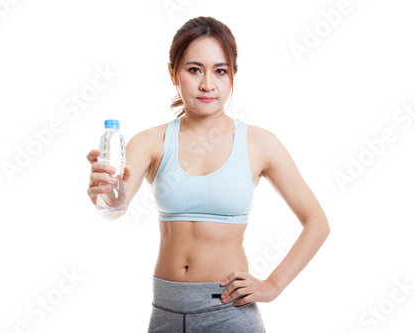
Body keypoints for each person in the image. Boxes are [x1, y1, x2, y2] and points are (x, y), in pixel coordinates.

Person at [86, 16, 330, 333]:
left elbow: (317, 222)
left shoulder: (259, 143)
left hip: (230, 312)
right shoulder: (149, 142)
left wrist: (273, 285)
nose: (207, 84)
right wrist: (102, 191)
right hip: (167, 312)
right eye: (194, 69)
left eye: (220, 71)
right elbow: (113, 207)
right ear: (173, 72)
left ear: (232, 76)